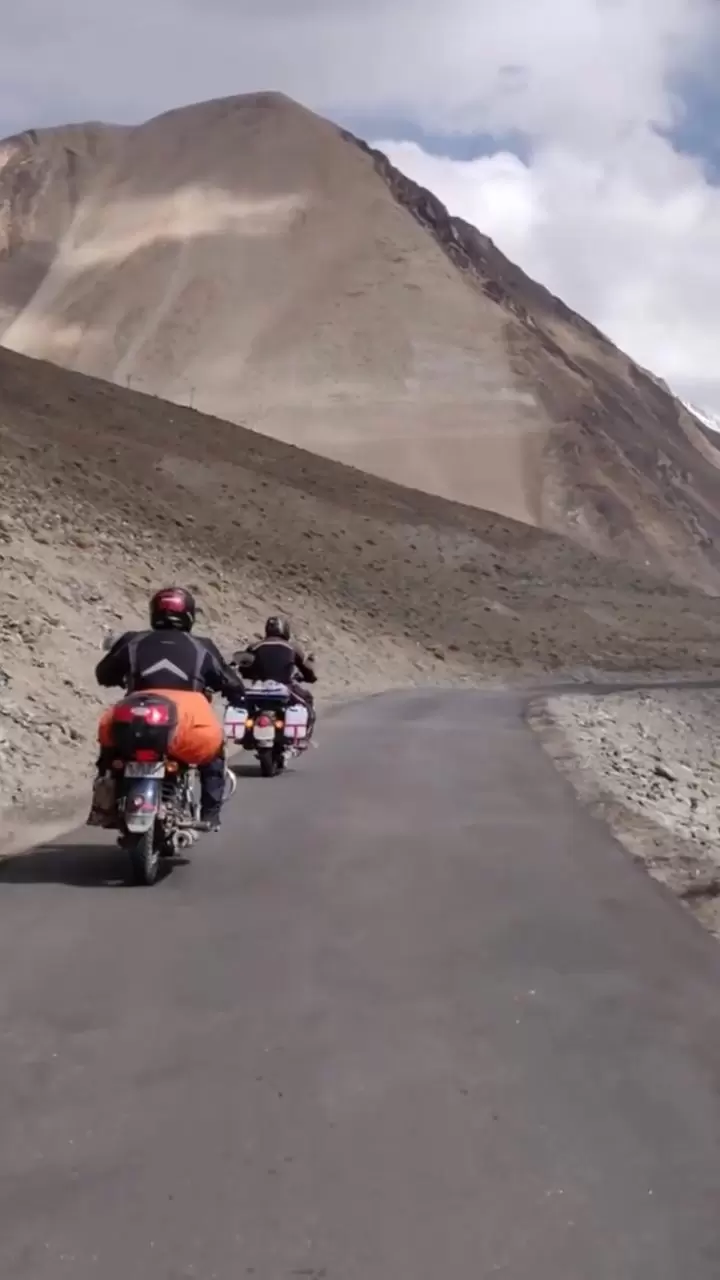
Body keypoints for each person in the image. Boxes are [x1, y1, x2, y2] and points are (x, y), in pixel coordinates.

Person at [90, 586, 245, 831]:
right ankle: (209, 813)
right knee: (213, 753)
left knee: (110, 753)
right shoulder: (201, 645)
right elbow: (230, 681)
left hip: (133, 714)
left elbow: (103, 673)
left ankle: (104, 804)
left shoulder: (132, 640)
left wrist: (121, 678)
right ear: (189, 615)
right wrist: (235, 693)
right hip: (188, 719)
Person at [237, 615, 317, 737]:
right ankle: (304, 736)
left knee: (243, 703)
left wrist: (251, 675)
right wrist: (309, 677)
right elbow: (306, 670)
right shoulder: (292, 647)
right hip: (284, 688)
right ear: (285, 629)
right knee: (307, 700)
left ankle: (246, 733)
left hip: (258, 689)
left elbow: (244, 669)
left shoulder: (254, 647)